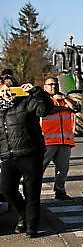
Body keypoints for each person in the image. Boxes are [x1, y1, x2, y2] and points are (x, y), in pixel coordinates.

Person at [0, 76, 52, 237]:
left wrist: (37, 92)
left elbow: (45, 109)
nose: (6, 93)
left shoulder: (27, 102)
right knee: (6, 189)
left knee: (32, 192)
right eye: (3, 90)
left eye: (9, 89)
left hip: (30, 153)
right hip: (7, 156)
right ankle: (23, 214)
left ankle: (31, 225)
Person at [39, 76, 78, 200]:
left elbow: (76, 108)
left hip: (64, 140)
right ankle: (32, 192)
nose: (54, 86)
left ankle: (60, 191)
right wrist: (64, 108)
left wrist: (65, 98)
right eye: (50, 84)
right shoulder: (42, 99)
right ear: (45, 86)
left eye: (55, 84)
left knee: (63, 169)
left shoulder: (63, 99)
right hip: (47, 141)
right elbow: (46, 110)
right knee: (39, 168)